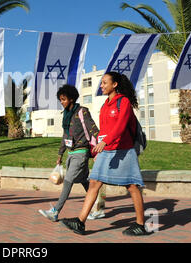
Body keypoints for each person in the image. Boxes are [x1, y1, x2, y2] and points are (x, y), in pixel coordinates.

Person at [61, 72, 149, 236]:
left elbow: (121, 126)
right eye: (101, 83)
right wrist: (97, 146)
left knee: (132, 186)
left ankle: (140, 225)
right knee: (94, 183)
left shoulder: (123, 102)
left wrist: (105, 142)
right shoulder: (105, 105)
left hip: (124, 150)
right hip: (106, 150)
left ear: (114, 84)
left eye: (104, 82)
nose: (101, 85)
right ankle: (80, 222)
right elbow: (104, 130)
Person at [38, 84, 99, 222]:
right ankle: (98, 206)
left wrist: (101, 148)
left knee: (68, 181)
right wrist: (60, 154)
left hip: (81, 152)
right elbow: (65, 136)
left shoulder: (82, 112)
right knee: (84, 181)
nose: (62, 102)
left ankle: (55, 211)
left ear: (71, 99)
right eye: (60, 99)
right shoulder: (66, 115)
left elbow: (93, 129)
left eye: (64, 99)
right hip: (71, 154)